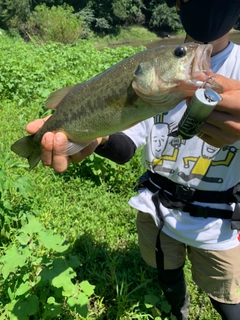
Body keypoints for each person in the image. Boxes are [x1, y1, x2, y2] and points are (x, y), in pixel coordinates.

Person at [26, 1, 240, 319]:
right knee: (167, 274)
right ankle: (177, 310)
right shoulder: (150, 66)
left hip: (217, 224)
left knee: (228, 299)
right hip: (156, 211)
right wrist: (96, 136)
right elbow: (126, 143)